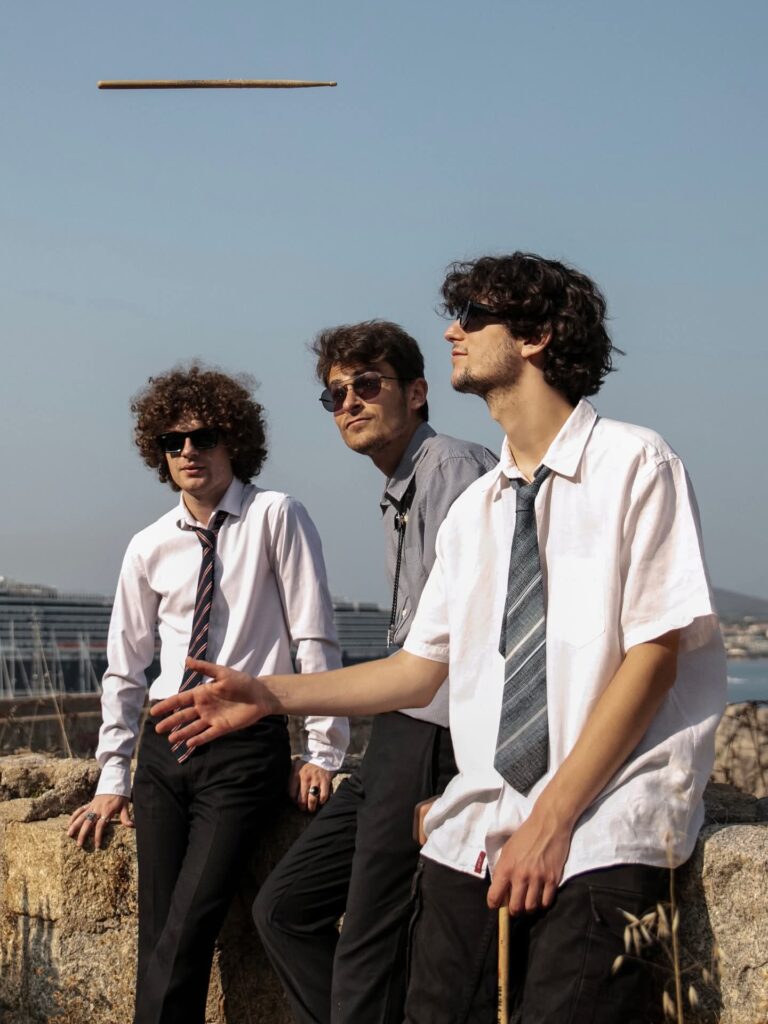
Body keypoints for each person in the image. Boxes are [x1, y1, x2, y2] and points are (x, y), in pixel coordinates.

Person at [152, 255, 726, 1024]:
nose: (452, 331)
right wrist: (267, 694)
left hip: (606, 822)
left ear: (536, 336)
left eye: (473, 315)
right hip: (481, 824)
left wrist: (553, 817)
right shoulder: (477, 509)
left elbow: (653, 657)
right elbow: (419, 670)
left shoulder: (636, 464)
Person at [66, 363, 348, 1024]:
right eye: (173, 441)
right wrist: (113, 776)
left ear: (234, 441)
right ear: (159, 453)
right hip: (163, 750)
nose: (188, 451)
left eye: (204, 436)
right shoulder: (148, 546)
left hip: (243, 747)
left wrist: (323, 752)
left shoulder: (276, 516)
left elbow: (314, 636)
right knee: (159, 933)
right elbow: (124, 668)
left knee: (190, 926)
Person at [251, 320, 496, 1024]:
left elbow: (457, 644)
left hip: (432, 734)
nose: (349, 403)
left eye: (366, 385)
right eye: (336, 395)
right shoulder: (401, 489)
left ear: (416, 392)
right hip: (396, 733)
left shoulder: (450, 468)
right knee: (284, 909)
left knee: (369, 949)